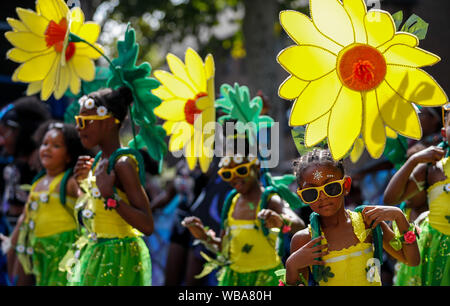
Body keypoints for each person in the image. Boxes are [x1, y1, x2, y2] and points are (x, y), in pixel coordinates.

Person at [286, 149, 420, 286]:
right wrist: (291, 265)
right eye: (311, 193)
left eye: (331, 187)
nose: (323, 196)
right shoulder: (304, 240)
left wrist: (399, 216)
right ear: (301, 196)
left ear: (346, 185)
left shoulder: (367, 223)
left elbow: (412, 259)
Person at [182, 136, 305, 286]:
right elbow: (226, 250)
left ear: (256, 166)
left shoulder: (269, 199)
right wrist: (204, 237)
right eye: (227, 174)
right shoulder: (231, 201)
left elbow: (299, 225)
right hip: (233, 280)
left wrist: (281, 221)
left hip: (265, 280)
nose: (234, 177)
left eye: (241, 170)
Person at [67, 87, 153, 286]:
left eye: (84, 122)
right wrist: (83, 184)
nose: (78, 128)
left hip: (119, 257)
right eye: (77, 121)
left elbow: (147, 225)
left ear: (108, 122)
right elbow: (99, 211)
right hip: (98, 252)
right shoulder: (99, 161)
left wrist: (110, 197)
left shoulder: (123, 163)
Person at [6, 121, 89, 286]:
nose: (47, 149)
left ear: (68, 155)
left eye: (56, 145)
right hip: (38, 248)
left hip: (64, 250)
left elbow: (87, 203)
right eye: (44, 144)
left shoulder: (69, 182)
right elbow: (25, 216)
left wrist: (86, 182)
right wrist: (12, 244)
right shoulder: (37, 183)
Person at [383, 109, 450, 286]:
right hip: (435, 248)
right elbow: (391, 199)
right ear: (444, 133)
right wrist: (413, 161)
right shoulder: (433, 169)